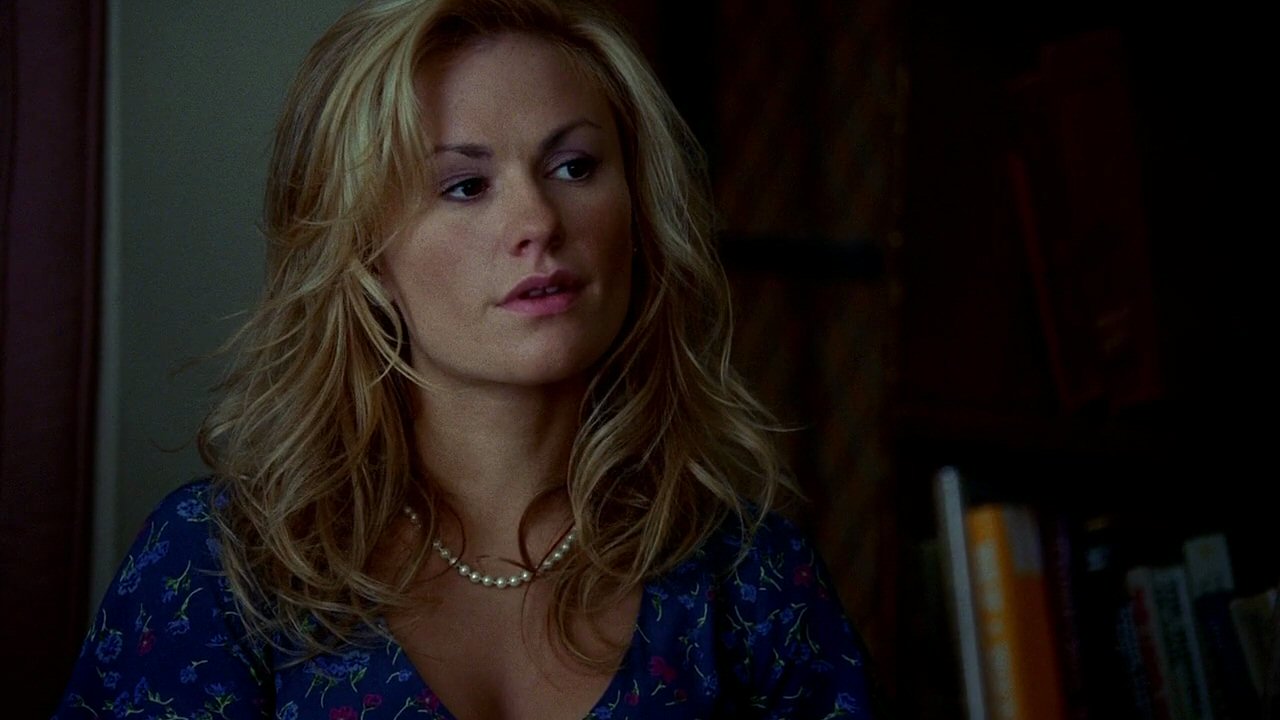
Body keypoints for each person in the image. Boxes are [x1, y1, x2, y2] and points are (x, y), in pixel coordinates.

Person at [55, 0, 880, 717]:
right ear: (364, 254)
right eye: (463, 186)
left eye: (574, 167)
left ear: (638, 215)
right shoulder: (219, 564)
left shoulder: (749, 577)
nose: (539, 221)